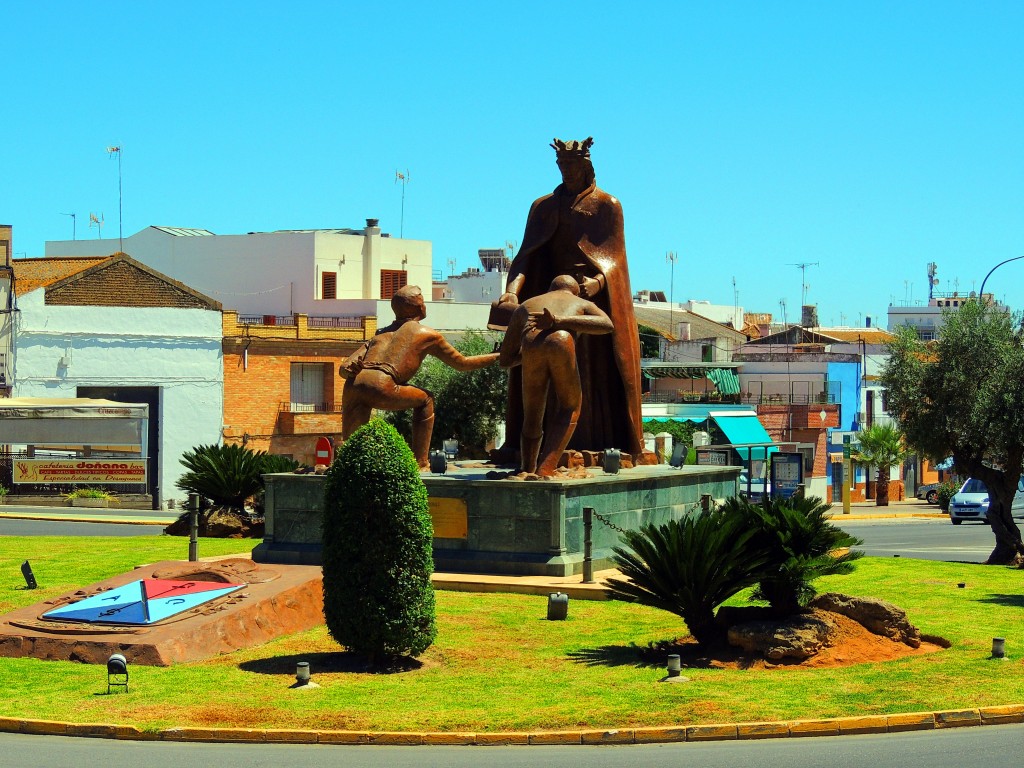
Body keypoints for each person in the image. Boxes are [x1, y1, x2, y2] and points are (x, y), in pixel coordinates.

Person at [495, 137, 649, 462]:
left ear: (586, 166)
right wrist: (512, 290)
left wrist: (598, 282)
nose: (565, 170)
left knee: (592, 372)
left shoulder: (607, 205)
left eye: (571, 165)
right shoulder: (542, 206)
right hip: (550, 294)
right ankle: (541, 453)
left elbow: (617, 259)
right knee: (544, 369)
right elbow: (526, 256)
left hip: (591, 298)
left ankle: (592, 443)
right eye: (561, 164)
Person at [340, 285, 499, 468]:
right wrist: (497, 356)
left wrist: (348, 371)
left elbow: (345, 367)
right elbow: (462, 363)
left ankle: (346, 464)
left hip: (354, 384)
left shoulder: (379, 334)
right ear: (419, 308)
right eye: (422, 302)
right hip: (381, 384)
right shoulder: (427, 334)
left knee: (353, 447)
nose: (424, 305)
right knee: (426, 399)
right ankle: (421, 462)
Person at [499, 276, 614, 476]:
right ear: (574, 291)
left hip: (531, 345)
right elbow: (607, 324)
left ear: (550, 289)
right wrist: (559, 322)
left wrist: (529, 352)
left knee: (532, 415)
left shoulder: (526, 306)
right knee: (571, 407)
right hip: (562, 341)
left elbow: (505, 359)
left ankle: (527, 468)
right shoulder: (582, 303)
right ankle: (545, 468)